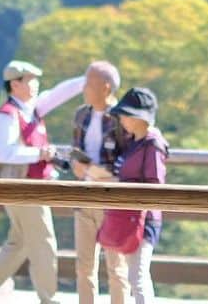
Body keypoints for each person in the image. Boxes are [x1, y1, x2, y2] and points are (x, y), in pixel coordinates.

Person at [0, 59, 85, 304]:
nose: (36, 84)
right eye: (30, 79)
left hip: (29, 187)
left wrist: (85, 79)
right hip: (23, 188)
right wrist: (39, 153)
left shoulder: (31, 109)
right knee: (44, 242)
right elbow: (3, 153)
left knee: (20, 243)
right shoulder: (7, 116)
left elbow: (58, 93)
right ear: (15, 84)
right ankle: (49, 299)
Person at [101, 88, 169, 304]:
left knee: (137, 277)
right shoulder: (136, 142)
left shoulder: (152, 144)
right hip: (131, 217)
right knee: (136, 276)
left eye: (125, 114)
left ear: (138, 117)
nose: (121, 119)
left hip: (143, 218)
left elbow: (155, 184)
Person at [70, 61, 129, 304]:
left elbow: (126, 162)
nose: (84, 87)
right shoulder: (81, 114)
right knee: (84, 266)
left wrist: (95, 170)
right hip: (84, 195)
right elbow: (75, 151)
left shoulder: (121, 119)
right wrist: (76, 165)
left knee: (116, 268)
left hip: (111, 199)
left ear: (106, 87)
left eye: (89, 82)